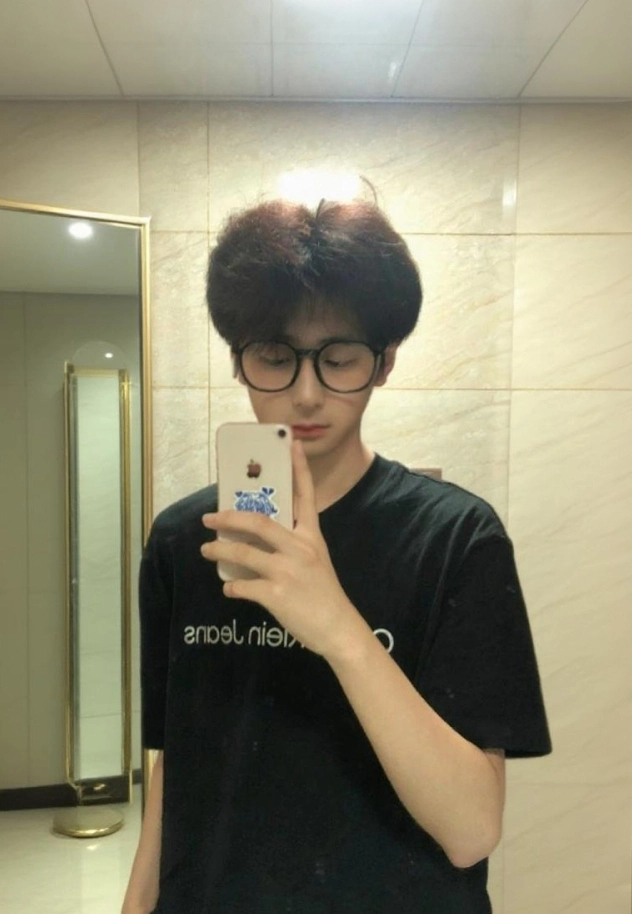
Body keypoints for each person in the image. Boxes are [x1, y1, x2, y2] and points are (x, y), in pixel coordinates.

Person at [122, 198, 552, 914]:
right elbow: (180, 761)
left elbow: (472, 830)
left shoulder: (455, 539)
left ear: (384, 363)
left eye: (339, 359)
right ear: (238, 361)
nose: (306, 393)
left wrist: (339, 628)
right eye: (274, 357)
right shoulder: (182, 540)